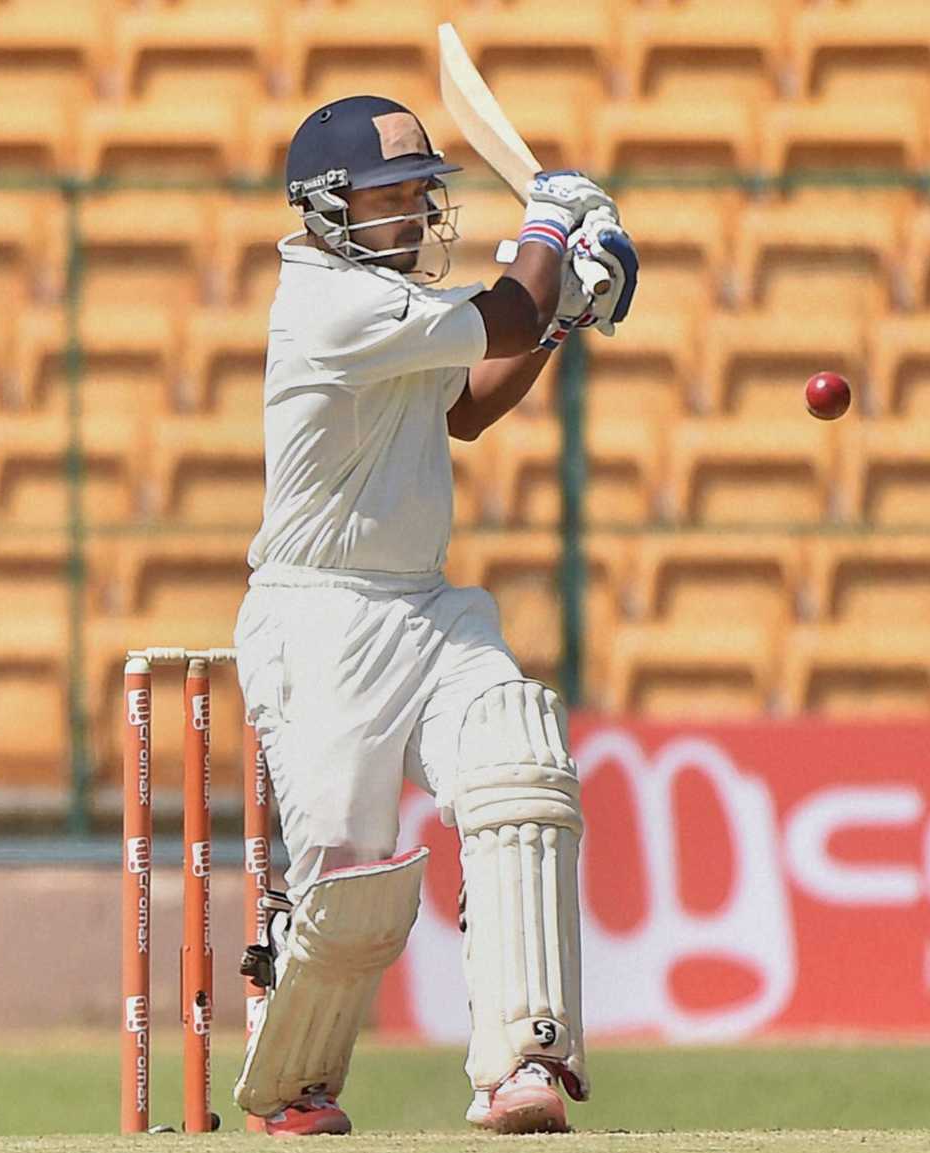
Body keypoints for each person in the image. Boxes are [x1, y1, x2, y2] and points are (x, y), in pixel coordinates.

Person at [232, 95, 637, 1138]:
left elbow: (464, 404)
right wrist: (549, 232)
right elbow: (503, 314)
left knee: (519, 765)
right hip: (319, 622)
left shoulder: (388, 298)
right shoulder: (330, 305)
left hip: (426, 605)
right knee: (353, 890)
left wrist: (566, 313)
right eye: (389, 197)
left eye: (419, 194)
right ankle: (294, 1079)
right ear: (325, 208)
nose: (413, 215)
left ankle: (523, 1059)